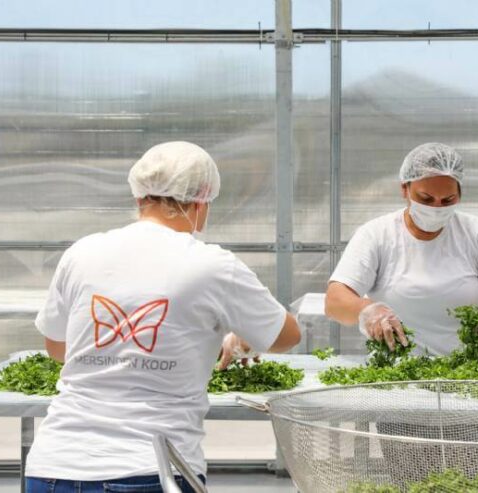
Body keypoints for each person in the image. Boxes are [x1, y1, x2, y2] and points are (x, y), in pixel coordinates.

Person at [25, 141, 301, 493]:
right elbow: (287, 336)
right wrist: (238, 338)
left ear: (139, 196)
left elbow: (57, 347)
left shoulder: (82, 252)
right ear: (201, 200)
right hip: (147, 470)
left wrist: (119, 353)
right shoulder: (212, 265)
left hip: (52, 467)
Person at [326, 142, 478, 355]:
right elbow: (335, 300)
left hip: (466, 365)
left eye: (448, 200)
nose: (436, 208)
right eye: (426, 199)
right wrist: (367, 311)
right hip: (395, 368)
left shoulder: (477, 233)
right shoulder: (377, 234)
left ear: (459, 193)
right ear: (405, 189)